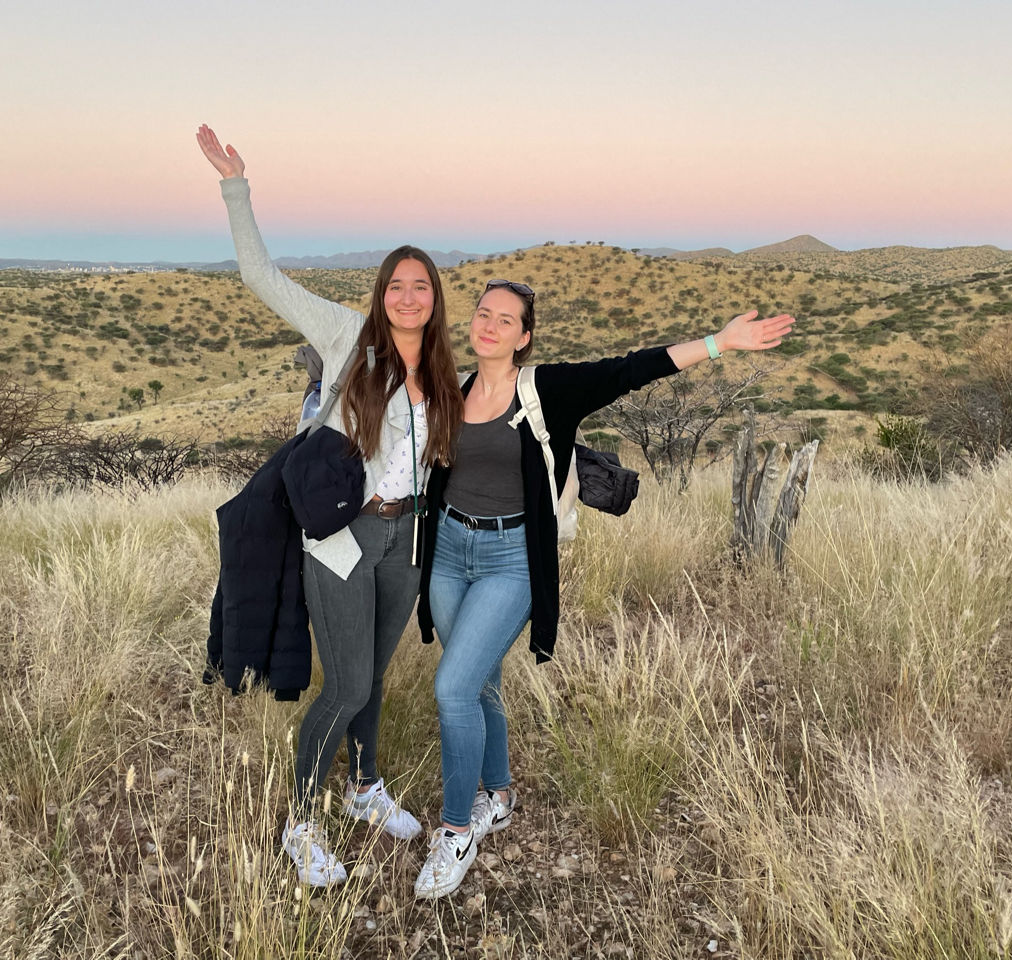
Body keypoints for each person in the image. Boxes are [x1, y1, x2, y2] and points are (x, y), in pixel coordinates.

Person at [411, 279, 794, 898]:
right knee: (477, 680)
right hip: (450, 553)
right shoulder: (454, 393)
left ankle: (457, 829)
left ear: (524, 336)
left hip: (513, 557)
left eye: (505, 320)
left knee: (452, 686)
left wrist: (719, 343)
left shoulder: (547, 390)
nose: (489, 325)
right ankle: (499, 794)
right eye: (483, 314)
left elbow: (630, 370)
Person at [196, 125, 464, 887]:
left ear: (434, 300)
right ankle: (301, 823)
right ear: (381, 295)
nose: (408, 296)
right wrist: (236, 187)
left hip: (406, 538)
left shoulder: (445, 371)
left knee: (372, 677)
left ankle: (364, 788)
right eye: (396, 284)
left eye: (421, 286)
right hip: (343, 537)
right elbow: (261, 276)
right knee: (343, 685)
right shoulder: (348, 337)